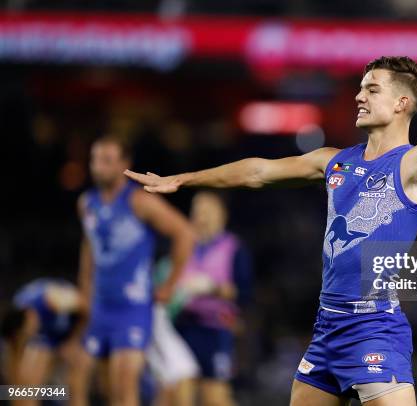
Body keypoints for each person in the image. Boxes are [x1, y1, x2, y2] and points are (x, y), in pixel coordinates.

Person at [125, 16, 417, 406]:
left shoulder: (416, 165)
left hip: (374, 327)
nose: (359, 97)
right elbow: (258, 171)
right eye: (360, 88)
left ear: (401, 103)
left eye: (372, 89)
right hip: (327, 328)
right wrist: (185, 179)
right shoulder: (335, 162)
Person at [75, 136, 194, 406]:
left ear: (124, 165)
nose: (98, 167)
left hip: (132, 309)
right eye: (95, 160)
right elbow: (89, 246)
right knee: (87, 385)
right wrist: (85, 291)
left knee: (123, 389)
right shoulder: (87, 204)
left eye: (107, 161)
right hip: (101, 306)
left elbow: (184, 233)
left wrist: (170, 284)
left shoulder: (139, 201)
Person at [155, 191, 252, 406]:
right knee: (175, 392)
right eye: (197, 211)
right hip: (180, 325)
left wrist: (213, 289)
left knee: (214, 397)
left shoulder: (233, 248)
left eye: (208, 211)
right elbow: (162, 278)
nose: (201, 217)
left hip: (214, 329)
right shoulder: (182, 244)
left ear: (222, 215)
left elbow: (244, 293)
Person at [0, 278, 84, 406]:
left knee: (75, 386)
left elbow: (85, 307)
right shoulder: (17, 322)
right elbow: (14, 371)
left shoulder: (51, 299)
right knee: (26, 388)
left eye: (27, 334)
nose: (29, 336)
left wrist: (73, 341)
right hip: (51, 337)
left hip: (80, 332)